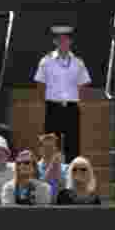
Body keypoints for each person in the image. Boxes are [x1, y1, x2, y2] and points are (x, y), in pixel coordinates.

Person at [33, 25, 90, 161]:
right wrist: (47, 102)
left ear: (70, 42)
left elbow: (84, 83)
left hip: (71, 108)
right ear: (55, 42)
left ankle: (72, 176)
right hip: (53, 108)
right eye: (59, 40)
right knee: (51, 145)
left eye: (66, 40)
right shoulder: (46, 61)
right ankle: (51, 178)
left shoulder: (78, 62)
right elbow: (40, 84)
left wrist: (74, 97)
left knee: (73, 145)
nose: (63, 43)